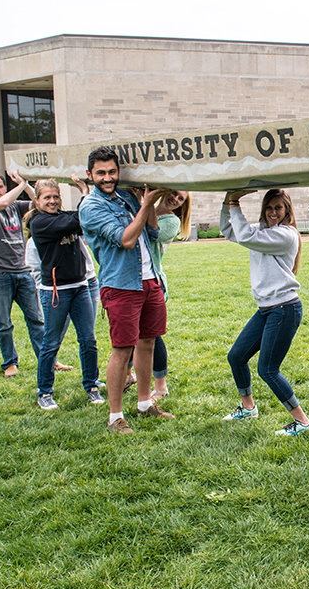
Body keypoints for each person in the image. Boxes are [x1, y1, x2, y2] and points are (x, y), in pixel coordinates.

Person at [78, 146, 174, 434]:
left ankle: (145, 403)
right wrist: (146, 204)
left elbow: (153, 233)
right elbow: (126, 240)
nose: (108, 178)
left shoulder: (127, 197)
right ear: (89, 175)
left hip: (149, 279)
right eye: (101, 173)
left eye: (112, 172)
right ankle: (115, 416)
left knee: (148, 342)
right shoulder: (91, 207)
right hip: (120, 285)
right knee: (122, 350)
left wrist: (149, 203)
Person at [220, 188, 309, 436]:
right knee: (236, 357)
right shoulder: (263, 231)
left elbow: (246, 236)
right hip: (266, 309)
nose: (273, 212)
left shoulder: (286, 234)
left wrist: (235, 202)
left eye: (278, 208)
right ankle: (248, 408)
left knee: (268, 370)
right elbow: (230, 230)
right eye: (269, 207)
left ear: (287, 211)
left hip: (284, 309)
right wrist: (227, 201)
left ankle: (303, 421)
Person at [24, 179, 102, 409]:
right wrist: (85, 191)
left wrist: (83, 199)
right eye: (46, 197)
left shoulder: (62, 217)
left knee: (88, 340)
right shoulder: (39, 223)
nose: (52, 201)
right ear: (37, 200)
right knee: (51, 343)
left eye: (55, 196)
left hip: (80, 287)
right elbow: (79, 218)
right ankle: (44, 391)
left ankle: (92, 385)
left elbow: (81, 218)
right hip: (55, 292)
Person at [0, 169, 44, 378]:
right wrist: (21, 185)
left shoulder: (18, 206)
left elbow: (40, 203)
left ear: (5, 187)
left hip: (23, 272)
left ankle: (47, 359)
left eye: (0, 186)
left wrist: (27, 184)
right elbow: (2, 204)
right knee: (4, 323)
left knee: (37, 320)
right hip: (0, 273)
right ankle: (10, 363)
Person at [147, 190, 192, 401]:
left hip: (154, 281)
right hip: (134, 281)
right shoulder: (149, 209)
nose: (175, 198)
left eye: (180, 199)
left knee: (153, 336)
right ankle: (129, 375)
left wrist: (145, 203)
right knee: (133, 335)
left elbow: (150, 233)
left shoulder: (172, 221)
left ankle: (161, 386)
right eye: (174, 193)